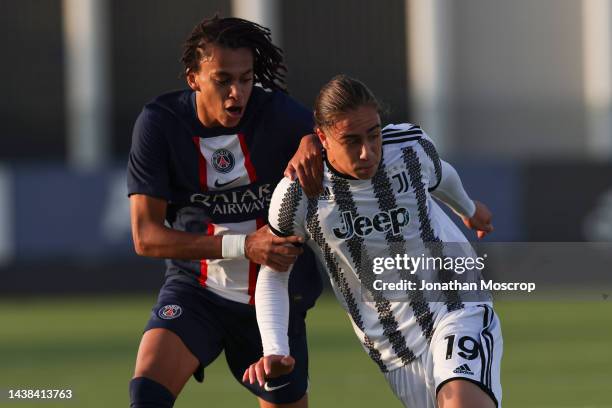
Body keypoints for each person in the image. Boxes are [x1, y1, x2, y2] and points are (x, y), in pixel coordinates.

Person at [244, 75, 502, 408]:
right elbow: (274, 271)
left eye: (374, 134)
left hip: (456, 304)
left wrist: (468, 209)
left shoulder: (409, 149)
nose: (367, 152)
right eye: (351, 140)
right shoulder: (297, 194)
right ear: (321, 137)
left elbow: (442, 175)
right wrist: (275, 350)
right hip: (392, 343)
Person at [126, 15, 324, 408]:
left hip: (274, 301)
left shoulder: (279, 116)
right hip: (196, 290)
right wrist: (244, 245)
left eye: (246, 78)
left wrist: (314, 141)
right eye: (223, 80)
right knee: (146, 395)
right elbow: (146, 238)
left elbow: (339, 136)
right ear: (193, 78)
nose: (237, 92)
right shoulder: (160, 124)